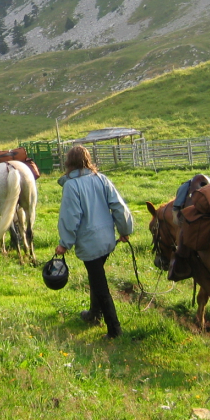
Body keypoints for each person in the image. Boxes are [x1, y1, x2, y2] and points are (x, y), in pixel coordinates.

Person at [55, 145, 134, 340]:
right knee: (96, 276)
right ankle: (93, 315)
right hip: (107, 240)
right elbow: (118, 205)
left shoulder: (71, 186)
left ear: (69, 162)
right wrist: (125, 231)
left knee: (100, 285)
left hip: (90, 243)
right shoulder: (101, 179)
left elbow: (70, 216)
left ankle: (114, 330)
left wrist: (64, 244)